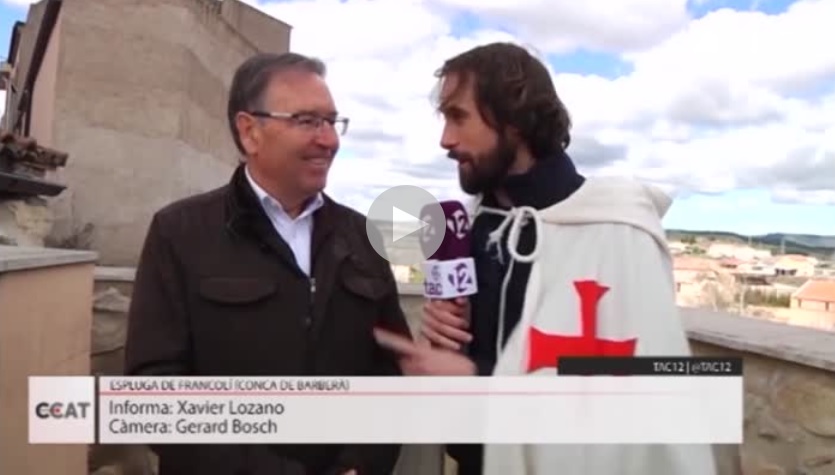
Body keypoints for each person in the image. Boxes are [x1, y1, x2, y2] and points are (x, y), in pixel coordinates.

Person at [373, 43, 718, 474]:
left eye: (459, 117)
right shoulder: (480, 226)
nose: (446, 140)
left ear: (514, 121)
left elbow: (631, 392)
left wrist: (474, 381)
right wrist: (439, 331)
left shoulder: (616, 231)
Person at [124, 52, 412, 475]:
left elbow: (390, 368)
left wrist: (360, 464)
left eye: (332, 121)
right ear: (250, 131)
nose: (329, 139)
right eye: (307, 121)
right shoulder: (180, 232)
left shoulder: (362, 237)